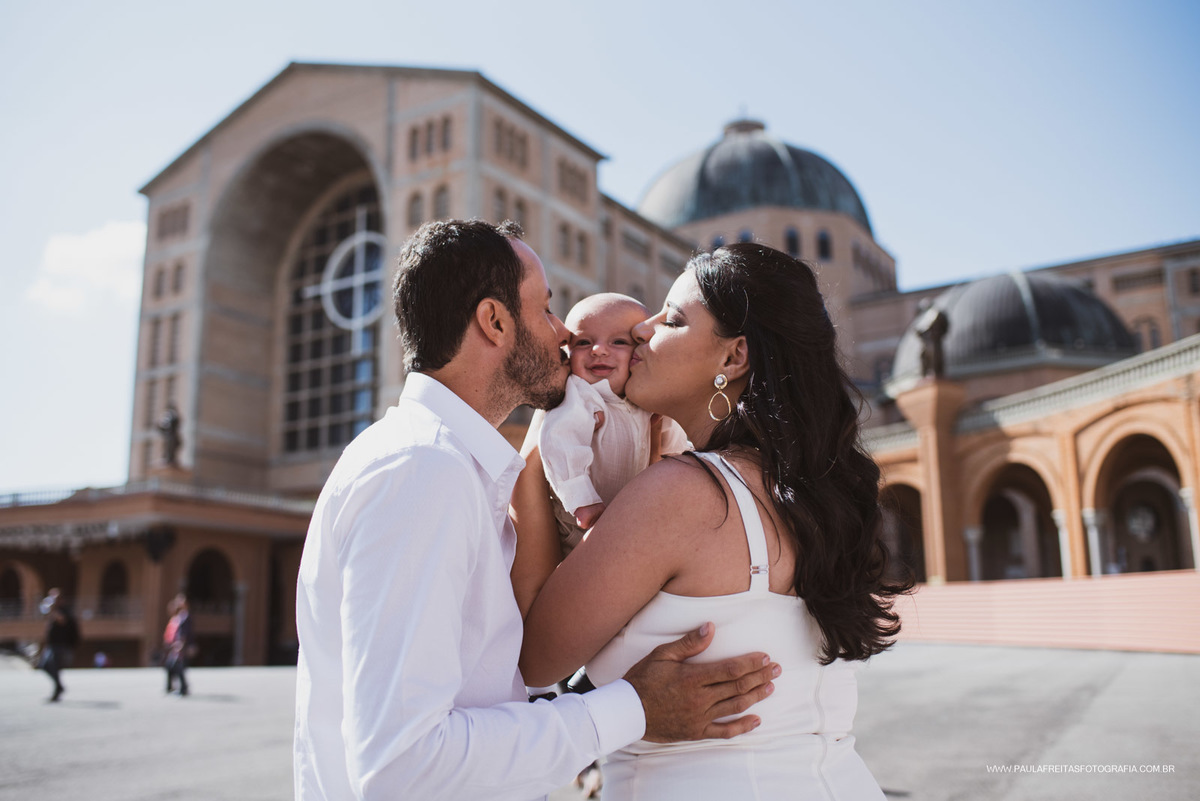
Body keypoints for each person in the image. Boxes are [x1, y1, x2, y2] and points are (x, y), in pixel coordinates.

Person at [293, 220, 779, 801]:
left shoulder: (453, 470)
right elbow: (403, 766)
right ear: (494, 322)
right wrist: (634, 708)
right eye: (548, 312)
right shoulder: (421, 472)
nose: (562, 337)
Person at [515, 243, 916, 799]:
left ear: (733, 359)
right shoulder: (810, 496)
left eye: (673, 318)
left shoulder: (678, 496)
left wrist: (535, 451)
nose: (643, 330)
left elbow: (533, 657)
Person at [537, 292, 689, 555]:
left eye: (618, 341)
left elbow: (675, 450)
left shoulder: (648, 400)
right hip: (580, 524)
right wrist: (583, 502)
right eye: (583, 342)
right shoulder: (582, 394)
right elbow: (560, 441)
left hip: (633, 521)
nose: (598, 350)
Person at [40, 604, 79, 702]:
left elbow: (65, 623)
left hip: (60, 646)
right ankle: (59, 686)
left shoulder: (64, 612)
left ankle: (57, 690)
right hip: (51, 646)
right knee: (44, 665)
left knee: (54, 667)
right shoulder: (53, 614)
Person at [163, 594, 194, 696]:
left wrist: (183, 644)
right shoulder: (178, 617)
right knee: (171, 666)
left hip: (180, 646)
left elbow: (186, 632)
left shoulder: (185, 617)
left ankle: (182, 688)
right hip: (175, 646)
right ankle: (172, 687)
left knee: (177, 666)